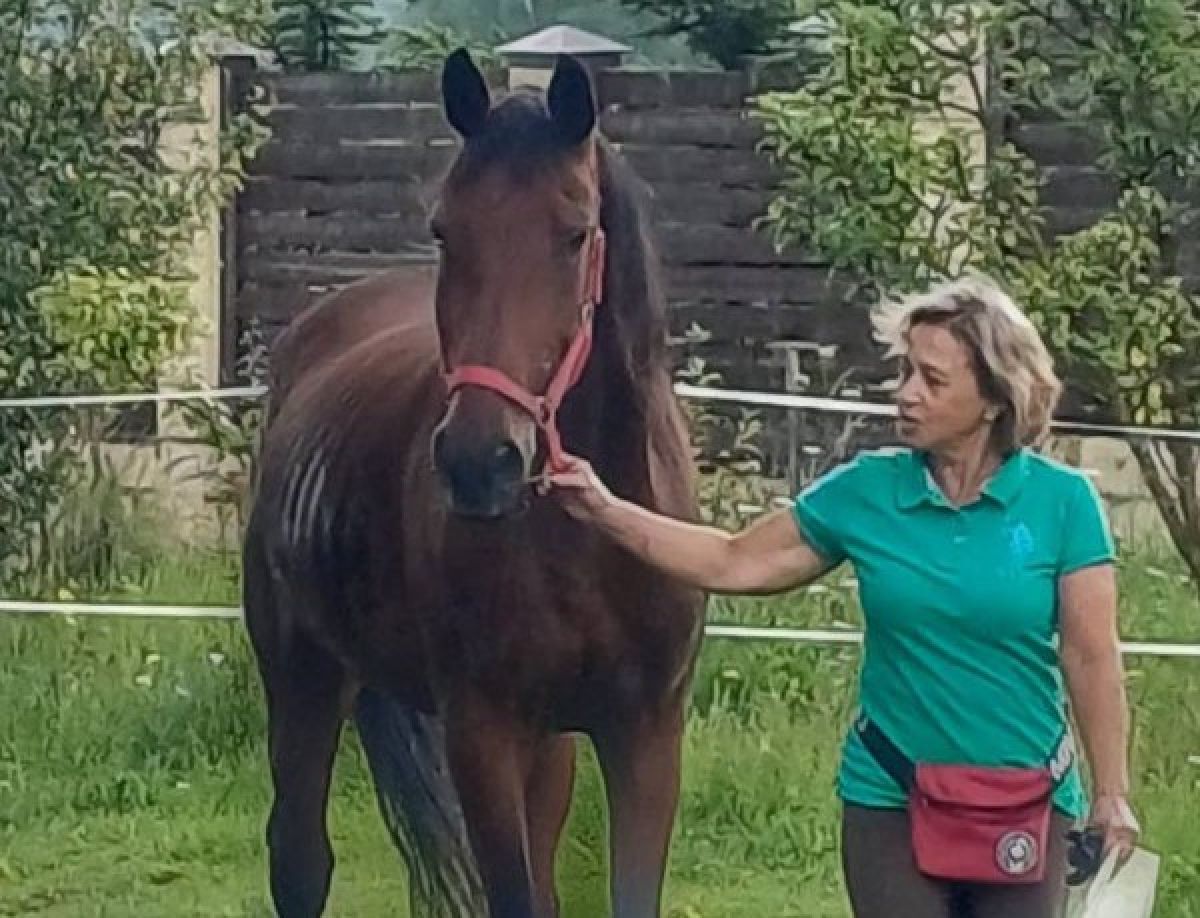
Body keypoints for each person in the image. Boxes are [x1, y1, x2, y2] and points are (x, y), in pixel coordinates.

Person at [545, 277, 1139, 917]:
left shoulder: (1064, 503)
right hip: (892, 797)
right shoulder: (867, 491)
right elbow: (733, 559)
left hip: (1029, 804)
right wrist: (605, 511)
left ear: (995, 398)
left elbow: (1090, 656)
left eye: (932, 381)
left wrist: (1112, 792)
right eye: (905, 370)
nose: (905, 395)